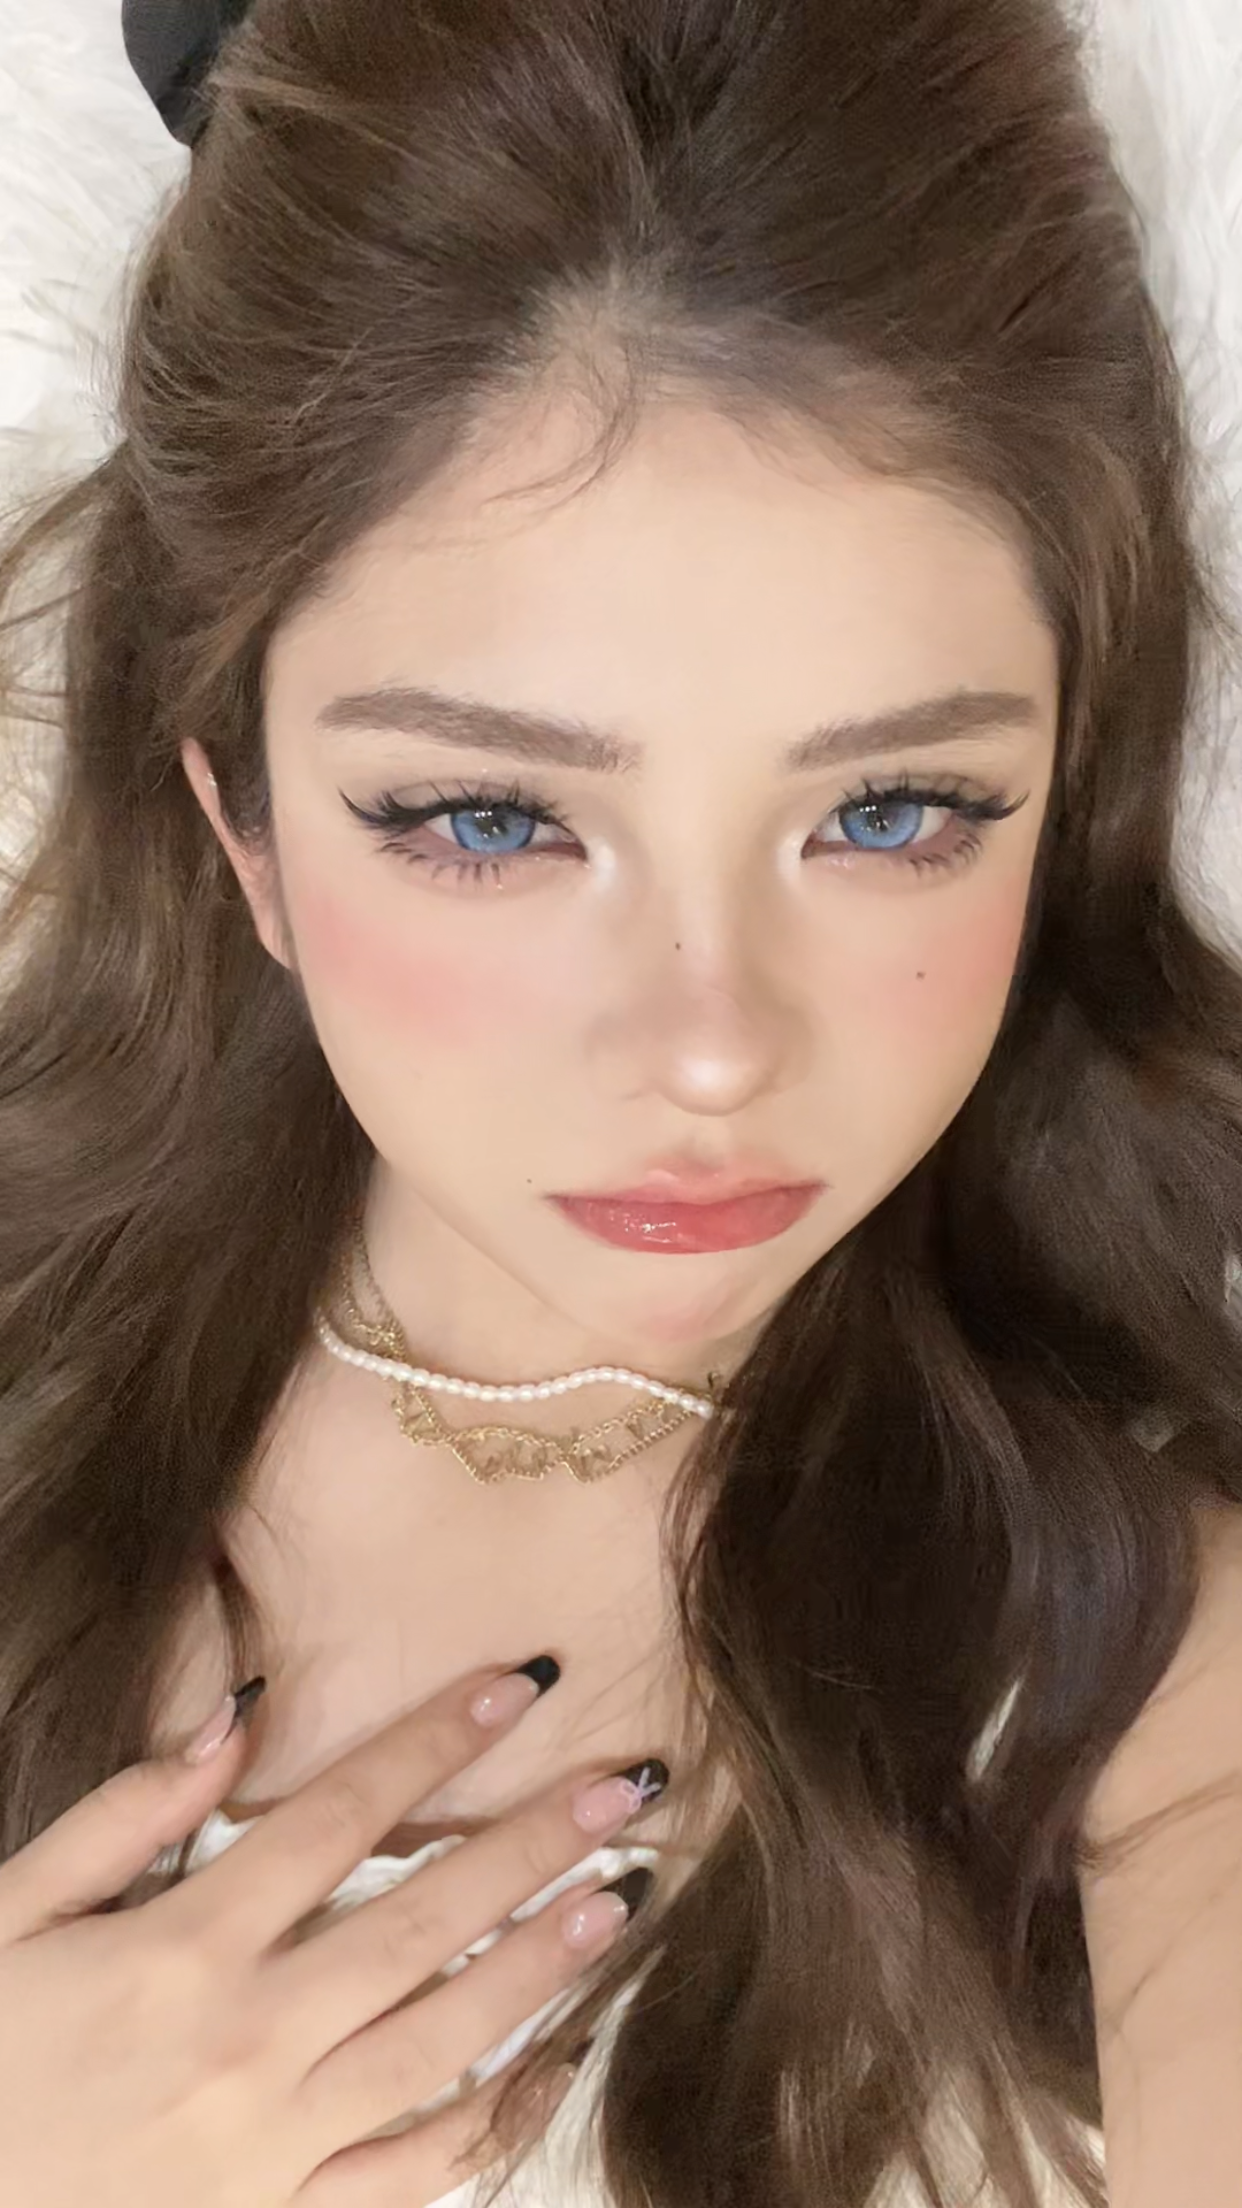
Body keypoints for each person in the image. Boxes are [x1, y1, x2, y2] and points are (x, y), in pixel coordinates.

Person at [0, 0, 1240, 2202]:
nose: (710, 1048)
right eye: (489, 820)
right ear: (240, 825)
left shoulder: (1148, 1676)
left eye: (893, 811)